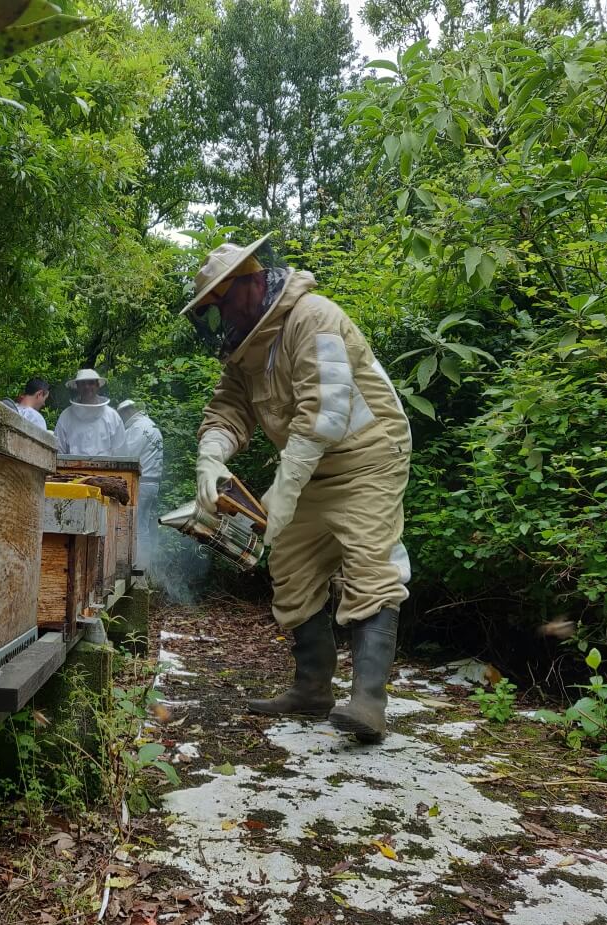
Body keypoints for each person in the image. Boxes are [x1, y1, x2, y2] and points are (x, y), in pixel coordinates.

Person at [182, 234, 411, 743]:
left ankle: (369, 703)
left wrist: (283, 489)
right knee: (288, 563)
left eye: (223, 304)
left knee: (370, 563)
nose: (221, 319)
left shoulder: (314, 317)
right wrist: (210, 456)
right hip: (309, 466)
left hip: (367, 455)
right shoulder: (244, 351)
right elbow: (228, 410)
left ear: (253, 281)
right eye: (212, 311)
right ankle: (312, 690)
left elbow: (326, 412)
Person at [117, 399, 164, 572]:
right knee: (142, 524)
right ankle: (144, 565)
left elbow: (126, 455)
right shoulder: (150, 425)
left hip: (142, 482)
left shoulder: (138, 428)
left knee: (137, 525)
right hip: (151, 483)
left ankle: (141, 564)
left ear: (126, 412)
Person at [54, 369, 126, 456]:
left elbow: (121, 452)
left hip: (106, 469)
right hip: (72, 469)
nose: (87, 387)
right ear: (77, 386)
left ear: (97, 385)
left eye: (91, 383)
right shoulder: (66, 416)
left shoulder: (112, 416)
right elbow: (58, 450)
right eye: (83, 383)